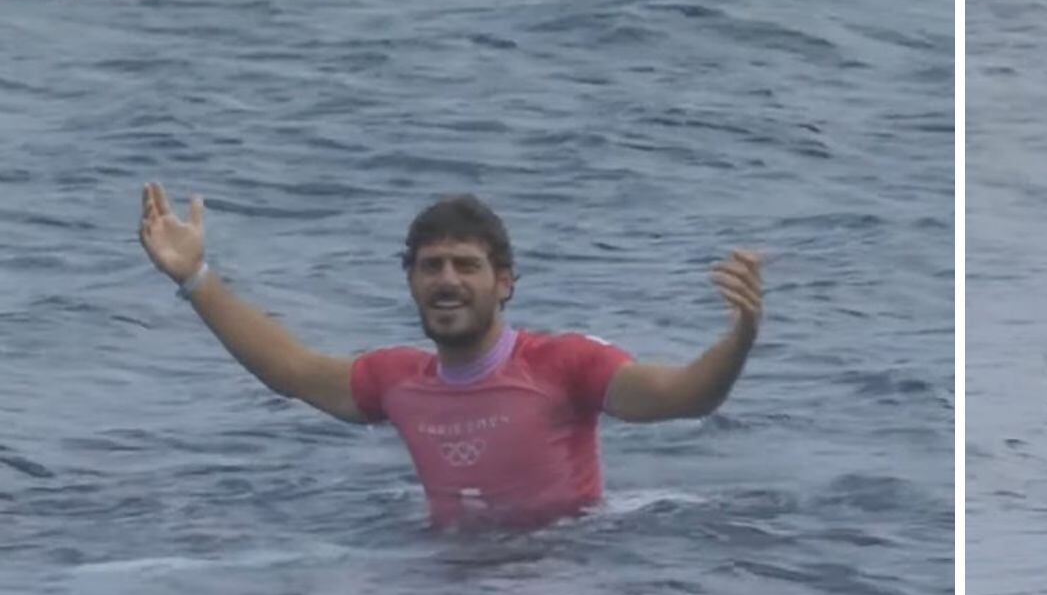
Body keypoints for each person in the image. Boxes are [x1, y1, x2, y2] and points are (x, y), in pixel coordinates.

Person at [137, 182, 763, 527]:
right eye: (431, 266)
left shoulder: (565, 366)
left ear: (505, 282)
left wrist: (740, 337)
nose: (448, 280)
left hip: (567, 578)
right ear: (411, 281)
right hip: (447, 579)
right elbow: (294, 372)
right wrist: (195, 279)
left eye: (467, 265)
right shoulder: (398, 381)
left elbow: (681, 397)